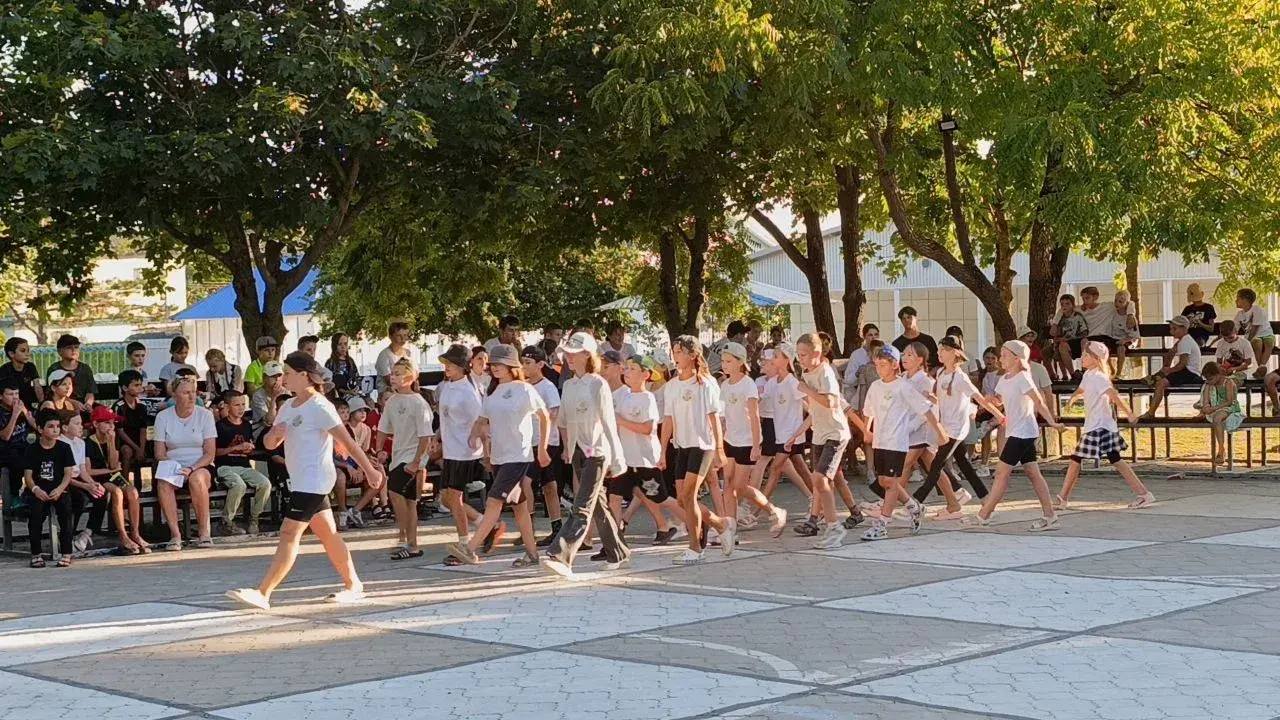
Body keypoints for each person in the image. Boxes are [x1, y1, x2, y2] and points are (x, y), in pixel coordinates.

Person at [227, 352, 386, 610]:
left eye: (288, 373)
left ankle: (263, 593)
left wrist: (370, 470)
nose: (283, 378)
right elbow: (269, 443)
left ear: (303, 375)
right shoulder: (288, 406)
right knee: (328, 534)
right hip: (300, 480)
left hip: (315, 480)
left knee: (289, 532)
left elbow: (347, 442)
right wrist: (274, 434)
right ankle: (354, 585)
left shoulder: (321, 406)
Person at [447, 344, 550, 569]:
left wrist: (542, 448)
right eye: (492, 364)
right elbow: (482, 420)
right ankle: (532, 554)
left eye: (499, 363)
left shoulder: (524, 389)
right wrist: (477, 440)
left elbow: (544, 417)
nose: (494, 367)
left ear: (512, 365)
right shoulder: (492, 391)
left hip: (518, 455)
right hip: (499, 457)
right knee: (519, 506)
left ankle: (470, 549)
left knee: (494, 501)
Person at [542, 332, 631, 577]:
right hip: (578, 452)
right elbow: (563, 421)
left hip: (598, 452)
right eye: (568, 353)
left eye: (576, 353)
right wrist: (567, 448)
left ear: (588, 355)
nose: (570, 357)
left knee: (581, 507)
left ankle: (561, 554)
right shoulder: (569, 385)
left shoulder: (598, 384)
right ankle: (618, 552)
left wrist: (617, 457)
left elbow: (608, 422)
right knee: (597, 505)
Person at [962, 340, 1064, 530]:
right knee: (1033, 473)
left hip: (1023, 432)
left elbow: (1039, 401)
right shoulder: (1005, 379)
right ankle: (1050, 516)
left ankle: (984, 515)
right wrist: (989, 401)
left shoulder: (1024, 378)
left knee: (1001, 473)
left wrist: (1052, 422)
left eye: (1004, 355)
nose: (1000, 359)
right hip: (1015, 431)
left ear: (1017, 359)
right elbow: (999, 400)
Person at [856, 346, 948, 541]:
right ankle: (914, 507)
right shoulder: (875, 386)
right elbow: (868, 411)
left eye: (883, 365)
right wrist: (866, 430)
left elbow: (925, 409)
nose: (879, 369)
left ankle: (882, 524)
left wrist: (939, 431)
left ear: (894, 365)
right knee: (884, 481)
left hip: (896, 441)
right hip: (879, 441)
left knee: (890, 483)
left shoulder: (903, 387)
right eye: (877, 365)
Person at [660, 335, 736, 565]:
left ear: (693, 355)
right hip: (682, 446)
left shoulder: (706, 383)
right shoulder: (672, 386)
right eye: (674, 352)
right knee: (682, 501)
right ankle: (721, 524)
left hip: (703, 445)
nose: (675, 356)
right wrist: (662, 451)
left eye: (680, 352)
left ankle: (694, 548)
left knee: (689, 496)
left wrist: (720, 449)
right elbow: (668, 419)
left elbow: (714, 418)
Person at [1055, 342, 1154, 509]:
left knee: (1076, 459)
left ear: (1096, 358)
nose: (1082, 358)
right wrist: (1072, 398)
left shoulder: (1100, 377)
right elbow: (1081, 389)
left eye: (1086, 355)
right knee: (1115, 459)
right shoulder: (1089, 374)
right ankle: (1144, 494)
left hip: (1099, 426)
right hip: (1096, 425)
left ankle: (1063, 498)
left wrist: (1129, 413)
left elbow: (1114, 396)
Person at [913, 336, 1001, 519]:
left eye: (943, 350)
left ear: (954, 353)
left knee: (936, 465)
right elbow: (941, 399)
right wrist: (928, 397)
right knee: (964, 464)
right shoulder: (940, 373)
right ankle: (985, 499)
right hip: (945, 427)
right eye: (939, 349)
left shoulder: (961, 378)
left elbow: (979, 398)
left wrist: (999, 416)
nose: (939, 353)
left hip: (957, 429)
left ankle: (914, 503)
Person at [718, 342, 788, 538]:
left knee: (739, 486)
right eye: (723, 361)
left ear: (740, 362)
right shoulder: (725, 385)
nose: (724, 365)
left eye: (729, 361)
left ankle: (773, 510)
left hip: (747, 441)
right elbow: (723, 415)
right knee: (728, 485)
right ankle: (730, 528)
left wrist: (756, 445)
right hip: (730, 439)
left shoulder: (748, 384)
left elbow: (754, 416)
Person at [790, 333, 852, 548]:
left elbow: (831, 402)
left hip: (835, 433)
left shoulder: (825, 372)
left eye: (804, 355)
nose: (800, 359)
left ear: (816, 353)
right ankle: (826, 522)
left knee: (819, 478)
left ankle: (834, 526)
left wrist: (807, 390)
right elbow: (814, 409)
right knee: (822, 481)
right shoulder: (807, 373)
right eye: (798, 355)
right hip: (819, 433)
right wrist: (796, 433)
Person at [616, 355, 686, 545]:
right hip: (627, 459)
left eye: (632, 369)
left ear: (645, 375)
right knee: (624, 494)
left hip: (644, 458)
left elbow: (647, 428)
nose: (627, 372)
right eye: (626, 368)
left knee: (660, 497)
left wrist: (621, 421)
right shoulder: (624, 396)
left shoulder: (648, 398)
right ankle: (616, 537)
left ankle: (694, 521)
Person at [376, 361, 435, 560]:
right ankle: (413, 545)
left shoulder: (419, 403)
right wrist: (379, 450)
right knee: (410, 502)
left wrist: (417, 461)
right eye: (393, 373)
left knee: (394, 492)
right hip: (398, 456)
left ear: (410, 378)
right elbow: (383, 428)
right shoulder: (392, 401)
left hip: (412, 458)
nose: (393, 377)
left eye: (398, 373)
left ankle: (403, 538)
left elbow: (425, 436)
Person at [434, 345, 488, 558]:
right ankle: (485, 523)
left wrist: (484, 449)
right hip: (450, 450)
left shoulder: (468, 392)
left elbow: (480, 422)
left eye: (452, 363)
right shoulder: (446, 387)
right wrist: (437, 437)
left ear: (463, 366)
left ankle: (465, 544)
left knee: (454, 497)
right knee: (446, 498)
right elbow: (445, 418)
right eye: (446, 363)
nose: (447, 367)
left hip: (465, 451)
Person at [153, 375, 218, 550]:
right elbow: (159, 453)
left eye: (193, 392)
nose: (191, 397)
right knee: (163, 483)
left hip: (200, 464)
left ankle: (204, 533)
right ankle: (175, 535)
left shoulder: (205, 415)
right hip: (173, 464)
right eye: (185, 393)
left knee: (197, 479)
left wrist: (191, 468)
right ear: (175, 395)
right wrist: (176, 468)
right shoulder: (163, 417)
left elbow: (210, 453)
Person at [83, 406, 148, 553]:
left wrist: (111, 442)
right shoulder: (88, 443)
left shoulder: (112, 438)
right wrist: (110, 470)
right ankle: (123, 535)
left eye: (112, 423)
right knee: (117, 492)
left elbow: (113, 464)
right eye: (106, 423)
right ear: (96, 424)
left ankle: (135, 533)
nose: (111, 426)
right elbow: (88, 470)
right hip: (98, 477)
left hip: (112, 475)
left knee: (132, 491)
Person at [519, 346, 566, 546]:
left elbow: (554, 413)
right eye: (522, 362)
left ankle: (528, 529)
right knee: (549, 485)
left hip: (545, 443)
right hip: (528, 442)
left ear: (540, 364)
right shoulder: (523, 386)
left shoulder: (547, 387)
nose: (524, 366)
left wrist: (538, 417)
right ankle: (557, 527)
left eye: (528, 363)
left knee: (526, 482)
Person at [23, 409, 77, 567]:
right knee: (36, 514)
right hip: (38, 490)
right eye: (50, 426)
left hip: (59, 489)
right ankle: (36, 554)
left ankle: (66, 552)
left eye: (57, 426)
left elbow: (68, 474)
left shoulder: (64, 448)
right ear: (40, 429)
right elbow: (28, 476)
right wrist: (36, 490)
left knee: (66, 513)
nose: (55, 430)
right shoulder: (32, 449)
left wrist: (59, 489)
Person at [214, 390, 272, 536]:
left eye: (243, 404)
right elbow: (214, 452)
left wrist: (248, 449)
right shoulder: (220, 426)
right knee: (239, 485)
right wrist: (235, 448)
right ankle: (226, 521)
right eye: (236, 405)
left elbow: (249, 446)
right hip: (225, 466)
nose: (241, 408)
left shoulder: (246, 425)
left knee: (265, 484)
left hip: (244, 466)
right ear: (227, 406)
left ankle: (254, 518)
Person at [1141, 316, 1204, 418]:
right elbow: (1169, 361)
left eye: (1175, 329)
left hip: (1190, 373)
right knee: (1162, 376)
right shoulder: (1182, 341)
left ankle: (1150, 413)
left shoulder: (1185, 342)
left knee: (1161, 383)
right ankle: (1154, 378)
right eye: (1171, 329)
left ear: (1184, 328)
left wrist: (1169, 370)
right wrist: (1169, 359)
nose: (1171, 332)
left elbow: (1182, 364)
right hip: (1186, 371)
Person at [1197, 361, 1245, 465]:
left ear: (1218, 374)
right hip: (1215, 408)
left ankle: (1221, 449)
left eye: (1211, 379)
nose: (1209, 381)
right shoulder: (1209, 385)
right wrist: (1206, 407)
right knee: (1215, 416)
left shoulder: (1228, 382)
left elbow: (1229, 401)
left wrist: (1214, 408)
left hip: (1229, 407)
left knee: (1217, 418)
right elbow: (1206, 400)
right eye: (1207, 379)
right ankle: (1221, 448)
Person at [1, 379, 36, 502]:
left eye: (17, 394)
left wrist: (25, 412)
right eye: (10, 394)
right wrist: (15, 415)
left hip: (24, 445)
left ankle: (31, 492)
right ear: (1, 396)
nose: (15, 397)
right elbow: (5, 436)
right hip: (7, 450)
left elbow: (38, 427)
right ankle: (14, 496)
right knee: (18, 462)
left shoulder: (22, 407)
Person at [46, 334, 96, 406]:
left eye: (76, 347)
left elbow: (90, 392)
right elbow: (52, 394)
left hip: (83, 404)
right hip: (62, 405)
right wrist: (73, 403)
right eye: (69, 347)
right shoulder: (54, 369)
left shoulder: (85, 368)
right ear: (60, 351)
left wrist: (88, 404)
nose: (73, 350)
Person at [1235, 288, 1275, 379]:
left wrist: (1247, 342)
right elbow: (1234, 329)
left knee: (1269, 342)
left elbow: (1254, 328)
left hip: (1267, 334)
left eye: (1238, 298)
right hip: (1255, 338)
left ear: (1245, 300)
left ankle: (1261, 367)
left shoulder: (1256, 309)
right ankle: (1261, 368)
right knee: (1257, 343)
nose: (1236, 300)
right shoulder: (1239, 314)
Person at [1049, 294, 1090, 381]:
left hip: (1077, 340)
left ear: (1073, 305)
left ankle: (1085, 369)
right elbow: (1052, 333)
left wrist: (1069, 338)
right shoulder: (1060, 318)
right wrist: (1056, 322)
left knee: (1085, 341)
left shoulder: (1078, 316)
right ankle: (1072, 374)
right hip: (1064, 343)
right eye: (1062, 304)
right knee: (1061, 346)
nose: (1064, 306)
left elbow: (1085, 332)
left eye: (1067, 304)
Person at [0, 336, 42, 408]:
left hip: (28, 405)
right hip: (10, 407)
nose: (27, 354)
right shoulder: (4, 370)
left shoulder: (30, 367)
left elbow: (37, 387)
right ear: (11, 354)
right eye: (23, 351)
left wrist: (42, 403)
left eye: (28, 351)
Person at [842, 324, 880, 404]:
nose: (874, 337)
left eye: (876, 334)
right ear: (864, 337)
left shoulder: (883, 351)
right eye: (870, 335)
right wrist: (858, 372)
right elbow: (848, 380)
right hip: (862, 390)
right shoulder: (857, 354)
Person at [375, 322, 412, 395]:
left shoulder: (407, 353)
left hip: (405, 390)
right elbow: (390, 381)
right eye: (399, 335)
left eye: (405, 335)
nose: (402, 339)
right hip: (388, 393)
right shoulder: (384, 355)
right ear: (391, 336)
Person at [251, 361, 285, 432]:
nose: (277, 379)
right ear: (264, 378)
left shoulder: (286, 391)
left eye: (279, 375)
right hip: (262, 431)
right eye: (273, 376)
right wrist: (274, 398)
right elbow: (269, 422)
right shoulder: (258, 395)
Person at [1181, 283, 1217, 347]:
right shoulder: (1187, 309)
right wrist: (1188, 323)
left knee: (1197, 342)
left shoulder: (1208, 308)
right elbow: (1182, 325)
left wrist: (1200, 323)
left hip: (1201, 337)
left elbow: (1211, 328)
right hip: (1189, 336)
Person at [325, 333, 361, 398]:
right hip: (337, 398)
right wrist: (346, 392)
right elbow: (329, 383)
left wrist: (356, 388)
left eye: (345, 344)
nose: (343, 347)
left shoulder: (350, 361)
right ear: (334, 346)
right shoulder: (330, 362)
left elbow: (357, 376)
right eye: (340, 344)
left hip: (353, 395)